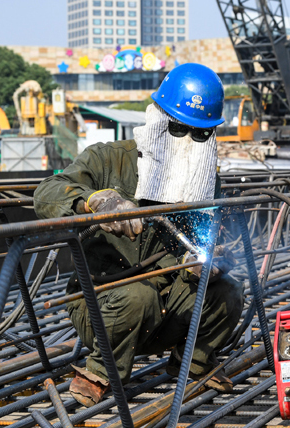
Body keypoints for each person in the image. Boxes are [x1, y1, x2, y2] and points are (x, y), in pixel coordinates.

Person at [33, 63, 244, 407]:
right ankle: (99, 371)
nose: (187, 142)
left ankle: (193, 363)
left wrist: (206, 261)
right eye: (178, 129)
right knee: (137, 295)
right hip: (103, 305)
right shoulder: (108, 159)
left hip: (165, 305)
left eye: (199, 134)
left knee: (228, 291)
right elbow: (46, 192)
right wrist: (95, 201)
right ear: (158, 118)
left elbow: (206, 240)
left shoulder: (205, 181)